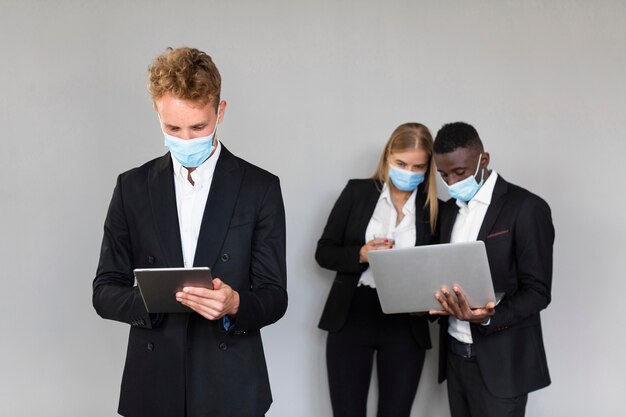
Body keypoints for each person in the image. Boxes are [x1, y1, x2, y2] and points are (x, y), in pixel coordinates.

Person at [92, 47, 287, 417]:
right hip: (153, 383)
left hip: (231, 383)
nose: (185, 140)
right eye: (172, 128)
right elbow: (104, 292)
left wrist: (234, 304)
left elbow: (275, 295)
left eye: (198, 127)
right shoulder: (132, 188)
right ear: (157, 111)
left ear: (221, 111)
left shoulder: (259, 187)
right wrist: (155, 300)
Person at [430, 122, 553, 417]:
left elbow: (538, 292)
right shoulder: (447, 212)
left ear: (483, 160)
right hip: (455, 359)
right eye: (443, 174)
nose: (451, 181)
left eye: (459, 172)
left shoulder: (527, 207)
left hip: (503, 365)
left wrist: (487, 318)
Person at [315, 123, 438, 417]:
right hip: (353, 314)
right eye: (401, 164)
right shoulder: (357, 192)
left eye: (418, 166)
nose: (409, 172)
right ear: (387, 157)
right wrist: (361, 253)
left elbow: (440, 269)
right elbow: (324, 251)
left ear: (428, 168)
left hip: (406, 323)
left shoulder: (434, 209)